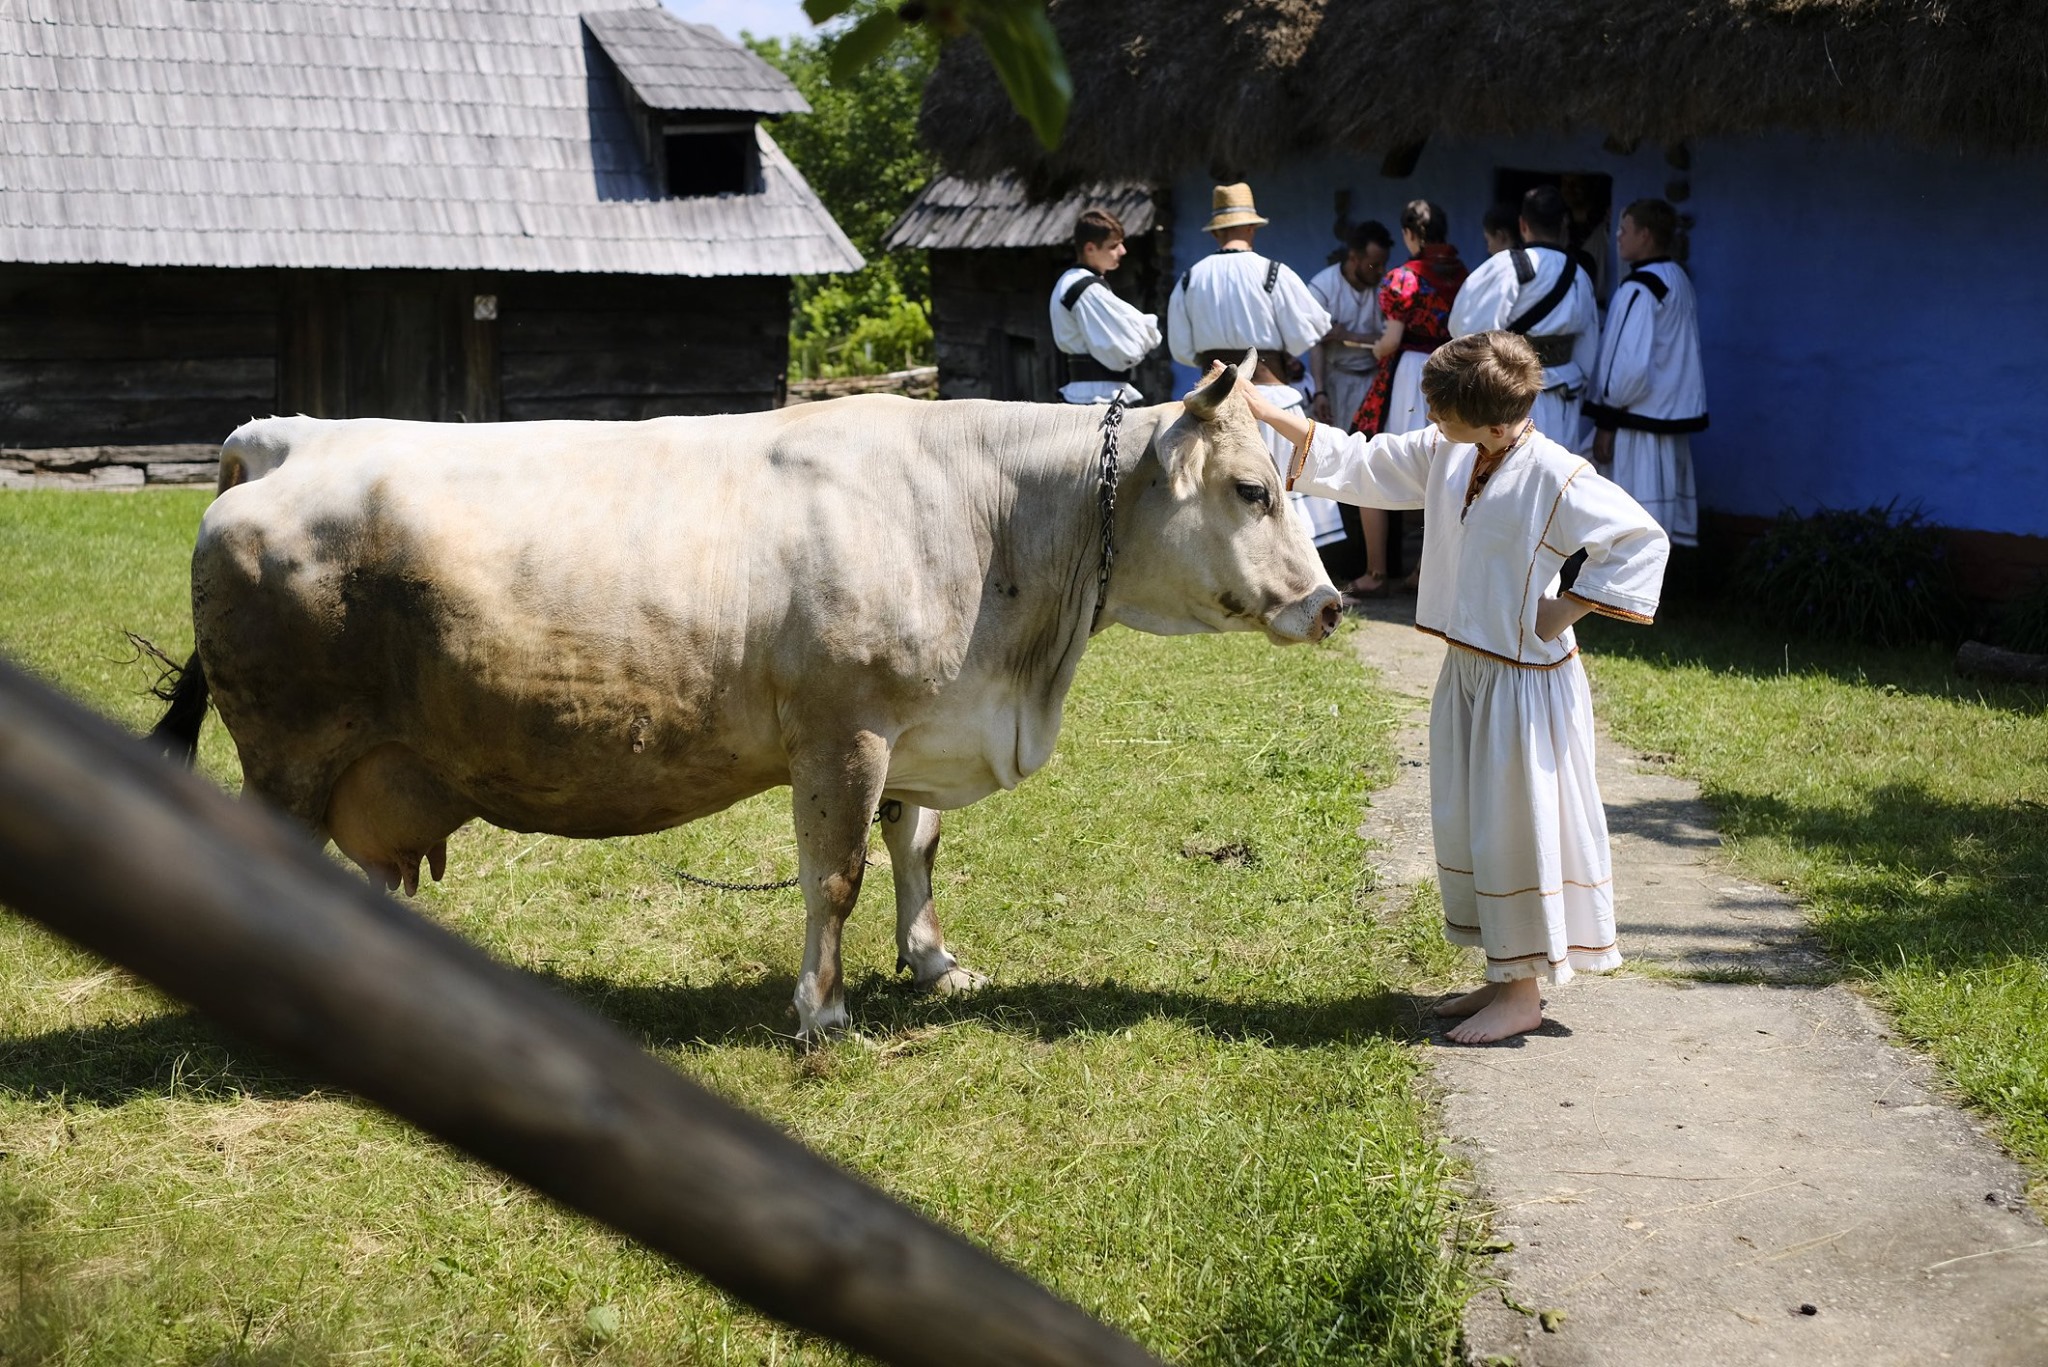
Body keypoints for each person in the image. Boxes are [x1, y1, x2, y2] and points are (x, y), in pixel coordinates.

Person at [1241, 331, 1669, 1043]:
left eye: (1443, 413)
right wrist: (1266, 409)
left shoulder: (1555, 474)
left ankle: (1523, 994)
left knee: (1516, 827)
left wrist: (1569, 605)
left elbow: (1639, 536)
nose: (1431, 422)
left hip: (1523, 686)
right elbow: (1364, 461)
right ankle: (1505, 973)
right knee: (1474, 820)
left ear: (1498, 423)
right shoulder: (1453, 450)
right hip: (1472, 671)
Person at [1167, 182, 1339, 571]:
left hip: (1213, 405)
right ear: (1251, 228)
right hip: (1272, 401)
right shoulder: (1273, 272)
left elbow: (1180, 347)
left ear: (1215, 232)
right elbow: (1309, 331)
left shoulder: (1190, 278)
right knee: (1284, 489)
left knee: (1224, 492)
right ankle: (1306, 575)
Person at [1584, 198, 1707, 554]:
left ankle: (1624, 595)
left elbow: (1628, 364)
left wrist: (1607, 419)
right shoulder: (1677, 279)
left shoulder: (1639, 288)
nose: (1618, 236)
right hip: (1663, 417)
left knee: (1631, 511)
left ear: (1646, 235)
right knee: (1653, 513)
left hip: (1636, 420)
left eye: (1625, 229)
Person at [1449, 185, 1601, 454]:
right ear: (1563, 224)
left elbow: (1466, 329)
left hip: (1515, 393)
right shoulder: (1578, 274)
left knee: (1511, 471)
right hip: (1566, 393)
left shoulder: (1508, 265)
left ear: (1522, 224)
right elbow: (1588, 345)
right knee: (1557, 474)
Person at [1309, 220, 1392, 596]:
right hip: (1337, 380)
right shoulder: (1323, 285)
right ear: (1354, 258)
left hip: (1375, 381)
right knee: (1335, 464)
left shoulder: (1386, 287)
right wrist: (1320, 391)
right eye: (1372, 264)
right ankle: (1342, 559)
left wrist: (1350, 335)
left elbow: (1389, 336)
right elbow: (1316, 341)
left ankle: (1380, 562)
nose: (1378, 272)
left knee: (1372, 464)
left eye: (1382, 264)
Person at [1050, 208, 1162, 405]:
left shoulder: (1081, 282)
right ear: (1090, 248)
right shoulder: (1086, 289)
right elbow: (1128, 349)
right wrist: (1141, 332)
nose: (1123, 251)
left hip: (1100, 390)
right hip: (1097, 395)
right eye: (1114, 246)